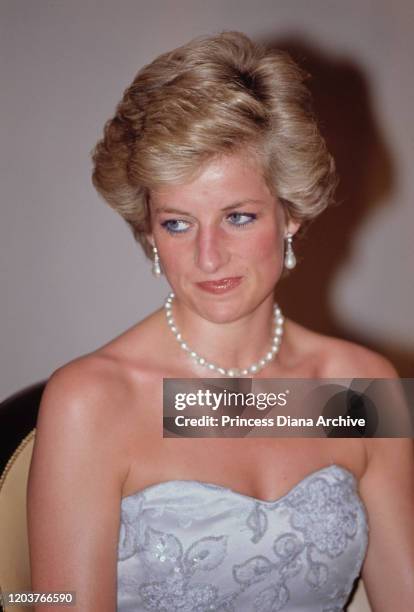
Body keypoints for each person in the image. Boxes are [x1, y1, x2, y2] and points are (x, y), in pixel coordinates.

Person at [27, 31, 414, 611]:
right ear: (149, 230)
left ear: (290, 215)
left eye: (237, 216)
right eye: (178, 223)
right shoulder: (93, 400)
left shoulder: (359, 388)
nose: (208, 258)